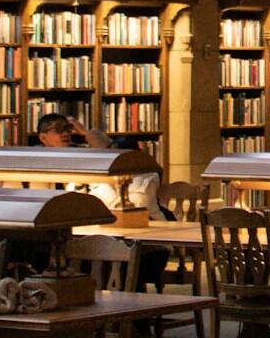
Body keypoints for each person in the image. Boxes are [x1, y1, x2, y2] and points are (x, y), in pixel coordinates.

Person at [35, 113, 169, 295]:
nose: (66, 134)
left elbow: (123, 202)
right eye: (59, 130)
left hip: (140, 242)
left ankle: (128, 311)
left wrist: (85, 132)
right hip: (94, 233)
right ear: (43, 137)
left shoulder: (144, 176)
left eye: (68, 129)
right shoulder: (36, 158)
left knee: (113, 261)